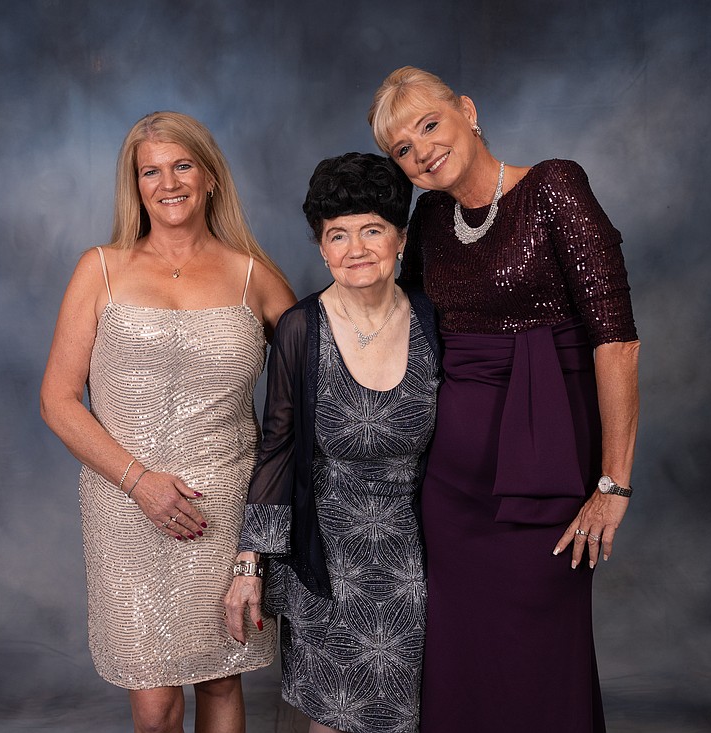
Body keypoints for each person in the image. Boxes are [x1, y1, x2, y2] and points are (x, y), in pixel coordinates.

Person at [368, 66, 641, 732]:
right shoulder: (429, 218)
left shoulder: (554, 186)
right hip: (452, 485)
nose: (422, 150)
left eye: (429, 125)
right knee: (459, 655)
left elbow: (617, 341)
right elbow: (394, 317)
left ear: (467, 109)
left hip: (546, 471)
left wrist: (613, 483)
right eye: (403, 148)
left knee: (544, 651)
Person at [40, 111, 296, 733]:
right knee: (153, 706)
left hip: (224, 508)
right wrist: (139, 481)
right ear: (136, 184)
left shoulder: (253, 278)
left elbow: (309, 394)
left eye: (182, 165)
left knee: (220, 677)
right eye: (150, 171)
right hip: (126, 505)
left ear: (209, 176)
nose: (168, 182)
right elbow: (58, 400)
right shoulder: (99, 268)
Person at [223, 152, 440, 733]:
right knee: (336, 718)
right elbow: (278, 448)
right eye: (337, 235)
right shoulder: (300, 328)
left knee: (409, 715)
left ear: (400, 237)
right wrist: (250, 564)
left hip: (421, 558)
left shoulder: (432, 320)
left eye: (372, 229)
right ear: (322, 248)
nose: (356, 248)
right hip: (328, 557)